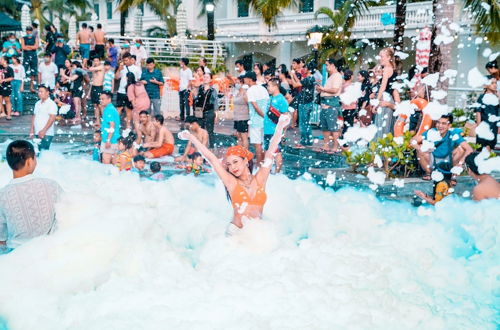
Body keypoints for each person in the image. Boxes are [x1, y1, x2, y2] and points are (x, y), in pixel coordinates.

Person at [178, 113, 290, 234]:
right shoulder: (231, 182)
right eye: (229, 164)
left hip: (257, 233)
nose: (232, 167)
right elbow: (212, 159)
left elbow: (270, 152)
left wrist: (280, 126)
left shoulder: (260, 180)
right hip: (236, 233)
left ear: (246, 161)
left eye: (235, 162)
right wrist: (191, 138)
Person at [0, 140, 62, 250]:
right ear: (29, 161)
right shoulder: (52, 186)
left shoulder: (3, 195)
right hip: (50, 251)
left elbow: (1, 239)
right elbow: (68, 216)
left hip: (17, 254)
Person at [411, 114, 473, 181]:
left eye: (443, 123)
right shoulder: (431, 132)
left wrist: (460, 163)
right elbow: (413, 140)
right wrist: (420, 148)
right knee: (421, 148)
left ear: (449, 126)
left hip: (448, 162)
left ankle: (453, 174)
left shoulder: (453, 134)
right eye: (438, 122)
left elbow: (469, 149)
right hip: (434, 162)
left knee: (460, 149)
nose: (440, 126)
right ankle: (428, 173)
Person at [374, 47, 400, 139]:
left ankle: (380, 151)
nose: (380, 59)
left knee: (382, 128)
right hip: (388, 99)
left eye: (382, 57)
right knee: (385, 128)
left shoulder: (386, 69)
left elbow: (383, 86)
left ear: (389, 57)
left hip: (385, 99)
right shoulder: (391, 68)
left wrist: (376, 102)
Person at [264, 78, 289, 173]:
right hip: (268, 130)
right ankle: (269, 172)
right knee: (269, 152)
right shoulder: (271, 98)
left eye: (269, 86)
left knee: (277, 152)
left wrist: (283, 133)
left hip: (275, 132)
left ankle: (278, 172)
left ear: (275, 86)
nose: (267, 88)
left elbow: (286, 117)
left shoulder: (281, 99)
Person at [244, 71, 269, 166]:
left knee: (257, 145)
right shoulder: (263, 89)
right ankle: (264, 165)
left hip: (256, 121)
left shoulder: (251, 90)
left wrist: (263, 116)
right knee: (263, 145)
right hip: (264, 122)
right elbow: (266, 104)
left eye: (245, 78)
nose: (244, 80)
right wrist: (266, 118)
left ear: (249, 79)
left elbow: (255, 107)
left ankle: (259, 166)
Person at [294, 62, 316, 149]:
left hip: (305, 103)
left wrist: (292, 75)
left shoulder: (308, 79)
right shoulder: (311, 78)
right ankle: (308, 141)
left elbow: (296, 84)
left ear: (309, 69)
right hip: (308, 103)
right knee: (306, 123)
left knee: (303, 123)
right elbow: (299, 83)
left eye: (305, 68)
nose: (304, 69)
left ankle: (303, 142)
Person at [115, 53, 142, 123]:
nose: (125, 62)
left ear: (130, 59)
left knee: (129, 110)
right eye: (124, 61)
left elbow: (139, 80)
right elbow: (116, 77)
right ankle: (115, 125)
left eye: (126, 60)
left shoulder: (136, 69)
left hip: (131, 92)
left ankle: (128, 126)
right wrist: (119, 69)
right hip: (121, 91)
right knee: (118, 108)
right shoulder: (122, 67)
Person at [29, 85, 57, 150]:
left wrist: (44, 131)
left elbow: (52, 118)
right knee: (38, 152)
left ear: (47, 93)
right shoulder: (37, 103)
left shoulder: (51, 104)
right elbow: (34, 116)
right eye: (39, 92)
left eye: (41, 92)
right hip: (37, 131)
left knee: (44, 152)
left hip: (47, 133)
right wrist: (32, 130)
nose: (39, 93)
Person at [194, 72, 218, 147]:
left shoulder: (212, 90)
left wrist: (216, 115)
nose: (205, 78)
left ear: (210, 80)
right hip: (199, 111)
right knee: (200, 130)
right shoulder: (199, 88)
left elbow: (215, 103)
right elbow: (195, 98)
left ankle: (211, 148)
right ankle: (201, 147)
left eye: (207, 77)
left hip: (209, 112)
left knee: (209, 131)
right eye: (204, 77)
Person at [100, 91, 121, 164]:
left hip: (110, 141)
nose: (101, 101)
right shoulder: (111, 108)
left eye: (103, 99)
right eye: (100, 99)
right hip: (115, 139)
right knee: (113, 165)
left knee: (106, 165)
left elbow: (112, 125)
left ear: (109, 99)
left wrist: (108, 140)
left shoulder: (109, 109)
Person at [20, 26, 39, 93]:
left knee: (33, 73)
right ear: (26, 31)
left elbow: (36, 47)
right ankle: (22, 86)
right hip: (26, 56)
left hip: (33, 57)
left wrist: (27, 46)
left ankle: (31, 87)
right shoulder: (23, 38)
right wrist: (32, 47)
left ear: (32, 31)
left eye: (30, 30)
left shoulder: (35, 38)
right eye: (27, 30)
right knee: (23, 71)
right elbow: (23, 47)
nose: (29, 32)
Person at [233, 77, 250, 149]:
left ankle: (246, 154)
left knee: (244, 137)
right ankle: (239, 153)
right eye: (236, 83)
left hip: (243, 118)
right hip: (237, 118)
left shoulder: (245, 93)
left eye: (238, 83)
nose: (237, 84)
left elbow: (249, 104)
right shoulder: (237, 92)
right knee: (238, 136)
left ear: (242, 83)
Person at [87, 57, 105, 126]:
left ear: (100, 61)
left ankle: (104, 121)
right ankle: (98, 121)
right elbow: (92, 81)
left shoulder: (101, 67)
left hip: (99, 87)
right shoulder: (94, 69)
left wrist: (91, 66)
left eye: (97, 61)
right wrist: (89, 92)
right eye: (94, 61)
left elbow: (91, 68)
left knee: (100, 105)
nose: (95, 62)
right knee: (95, 106)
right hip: (94, 87)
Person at [0, 56, 14, 120]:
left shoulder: (9, 69)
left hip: (6, 86)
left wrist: (3, 80)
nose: (0, 60)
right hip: (0, 86)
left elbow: (12, 78)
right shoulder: (0, 67)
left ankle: (8, 115)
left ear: (5, 61)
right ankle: (2, 112)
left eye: (1, 59)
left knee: (7, 100)